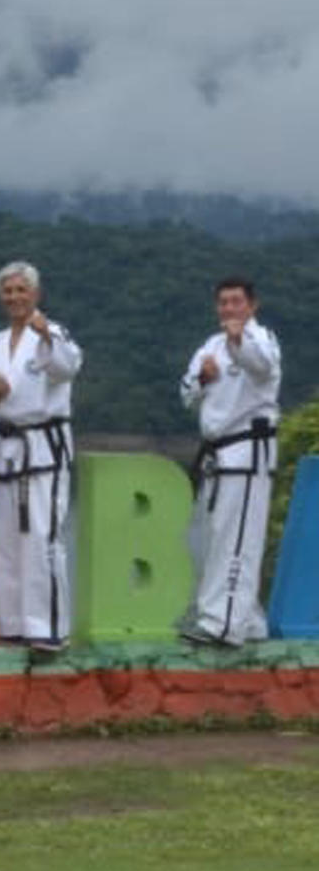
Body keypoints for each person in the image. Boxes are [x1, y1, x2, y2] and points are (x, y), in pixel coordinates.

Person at [0, 260, 82, 652]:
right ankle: (12, 625)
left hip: (43, 449)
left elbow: (68, 367)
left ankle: (48, 627)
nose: (14, 297)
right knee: (4, 539)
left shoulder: (53, 333)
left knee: (41, 537)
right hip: (6, 448)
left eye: (21, 290)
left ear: (36, 293)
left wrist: (46, 334)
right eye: (8, 291)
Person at [179, 276, 280, 647]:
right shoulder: (210, 346)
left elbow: (264, 367)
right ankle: (248, 619)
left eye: (236, 301)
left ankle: (223, 625)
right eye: (223, 302)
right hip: (216, 454)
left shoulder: (261, 339)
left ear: (251, 305)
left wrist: (238, 340)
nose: (229, 308)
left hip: (247, 452)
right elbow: (186, 393)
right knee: (215, 537)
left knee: (237, 539)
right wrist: (202, 379)